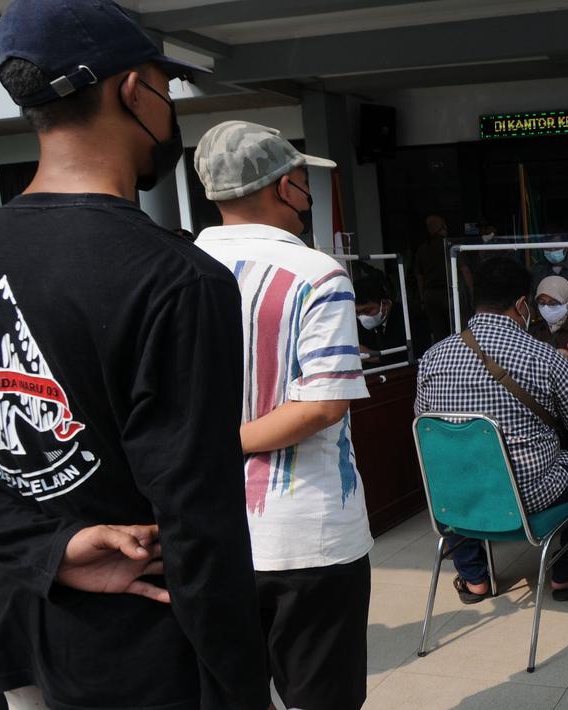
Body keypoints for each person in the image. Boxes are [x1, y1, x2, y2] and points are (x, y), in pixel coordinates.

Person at [0, 2, 270, 708]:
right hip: (149, 654)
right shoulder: (176, 279)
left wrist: (45, 552)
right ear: (132, 89)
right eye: (166, 89)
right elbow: (199, 521)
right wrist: (240, 685)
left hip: (17, 629)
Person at [194, 121, 373, 710]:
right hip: (307, 536)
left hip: (206, 531)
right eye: (301, 180)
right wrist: (221, 444)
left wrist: (196, 450)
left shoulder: (174, 269)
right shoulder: (317, 274)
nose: (305, 194)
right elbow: (322, 405)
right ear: (283, 186)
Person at [415, 258, 568, 603]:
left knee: (455, 471)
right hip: (525, 494)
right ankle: (566, 575)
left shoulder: (432, 357)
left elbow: (426, 429)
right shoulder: (543, 357)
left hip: (452, 496)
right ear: (523, 305)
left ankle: (475, 579)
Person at [354, 262, 406, 366]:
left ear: (385, 304)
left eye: (367, 311)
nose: (362, 317)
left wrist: (370, 356)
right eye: (358, 313)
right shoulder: (356, 325)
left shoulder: (408, 320)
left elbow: (408, 355)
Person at [414, 214, 453, 342]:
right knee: (457, 328)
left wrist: (422, 297)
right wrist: (470, 293)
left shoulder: (423, 249)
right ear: (443, 227)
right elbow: (465, 270)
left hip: (430, 295)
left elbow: (420, 277)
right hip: (449, 293)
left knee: (438, 333)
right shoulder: (449, 246)